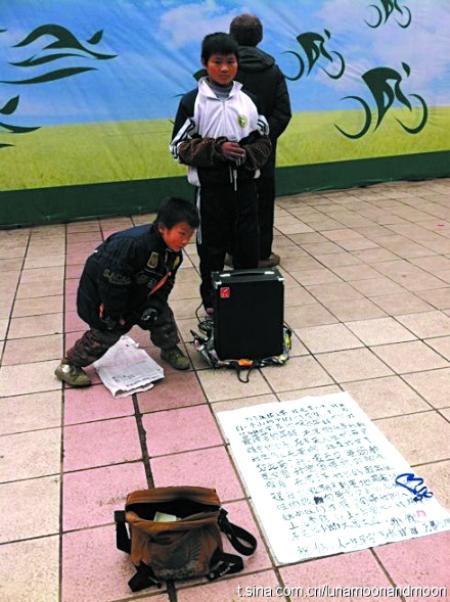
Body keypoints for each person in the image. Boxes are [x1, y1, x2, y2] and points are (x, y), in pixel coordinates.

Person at [170, 32, 271, 312]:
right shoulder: (193, 102)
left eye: (230, 62)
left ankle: (246, 306)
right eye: (217, 62)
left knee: (248, 250)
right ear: (205, 63)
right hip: (211, 193)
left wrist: (248, 155)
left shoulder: (250, 100)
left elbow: (265, 142)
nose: (224, 68)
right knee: (211, 252)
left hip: (247, 191)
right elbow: (178, 148)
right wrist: (217, 150)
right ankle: (213, 306)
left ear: (238, 63)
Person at [55, 197, 199, 387]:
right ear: (162, 228)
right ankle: (69, 365)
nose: (186, 241)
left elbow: (166, 283)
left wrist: (155, 305)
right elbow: (111, 285)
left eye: (190, 235)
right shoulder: (132, 245)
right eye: (182, 234)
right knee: (108, 332)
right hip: (102, 298)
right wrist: (117, 315)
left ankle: (169, 349)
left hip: (137, 293)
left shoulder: (172, 254)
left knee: (162, 316)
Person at [229, 14, 292, 267]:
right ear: (261, 37)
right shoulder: (273, 71)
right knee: (263, 199)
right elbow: (283, 113)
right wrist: (262, 140)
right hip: (265, 151)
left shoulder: (225, 69)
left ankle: (233, 251)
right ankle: (262, 253)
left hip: (229, 148)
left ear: (231, 36)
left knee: (232, 198)